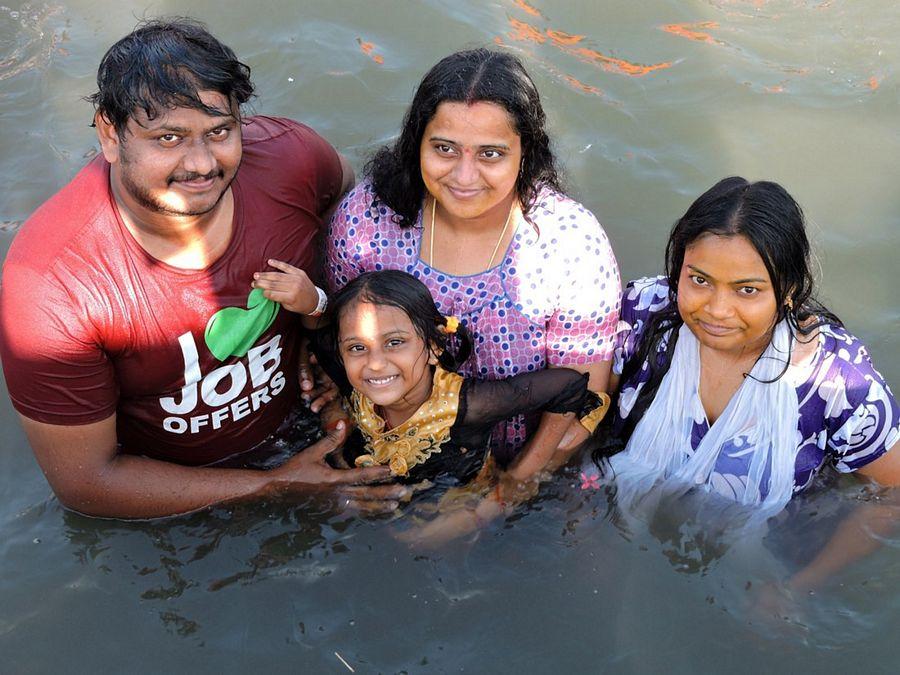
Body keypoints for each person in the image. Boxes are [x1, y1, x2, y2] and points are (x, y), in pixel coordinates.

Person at [0, 18, 405, 519]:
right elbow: (87, 484)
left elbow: (352, 211)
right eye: (168, 138)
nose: (201, 163)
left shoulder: (291, 159)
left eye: (220, 131)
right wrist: (275, 487)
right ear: (110, 133)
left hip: (309, 425)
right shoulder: (53, 285)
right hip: (177, 507)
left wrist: (322, 331)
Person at [326, 48, 621, 483]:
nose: (464, 177)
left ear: (526, 153)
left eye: (491, 154)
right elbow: (337, 344)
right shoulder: (368, 221)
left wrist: (503, 497)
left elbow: (584, 403)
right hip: (385, 453)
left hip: (519, 468)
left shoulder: (570, 244)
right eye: (444, 148)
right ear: (416, 144)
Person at [594, 176, 899, 592]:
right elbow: (587, 411)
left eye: (748, 290)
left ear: (788, 290)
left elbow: (892, 495)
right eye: (699, 280)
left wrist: (798, 589)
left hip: (763, 567)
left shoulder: (839, 385)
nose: (717, 310)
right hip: (635, 535)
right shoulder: (644, 312)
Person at [252, 268, 610, 485]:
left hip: (453, 506)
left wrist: (519, 478)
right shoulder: (350, 376)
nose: (375, 364)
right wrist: (311, 300)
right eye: (357, 348)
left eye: (395, 343)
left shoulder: (470, 405)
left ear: (435, 347)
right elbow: (318, 330)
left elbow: (570, 387)